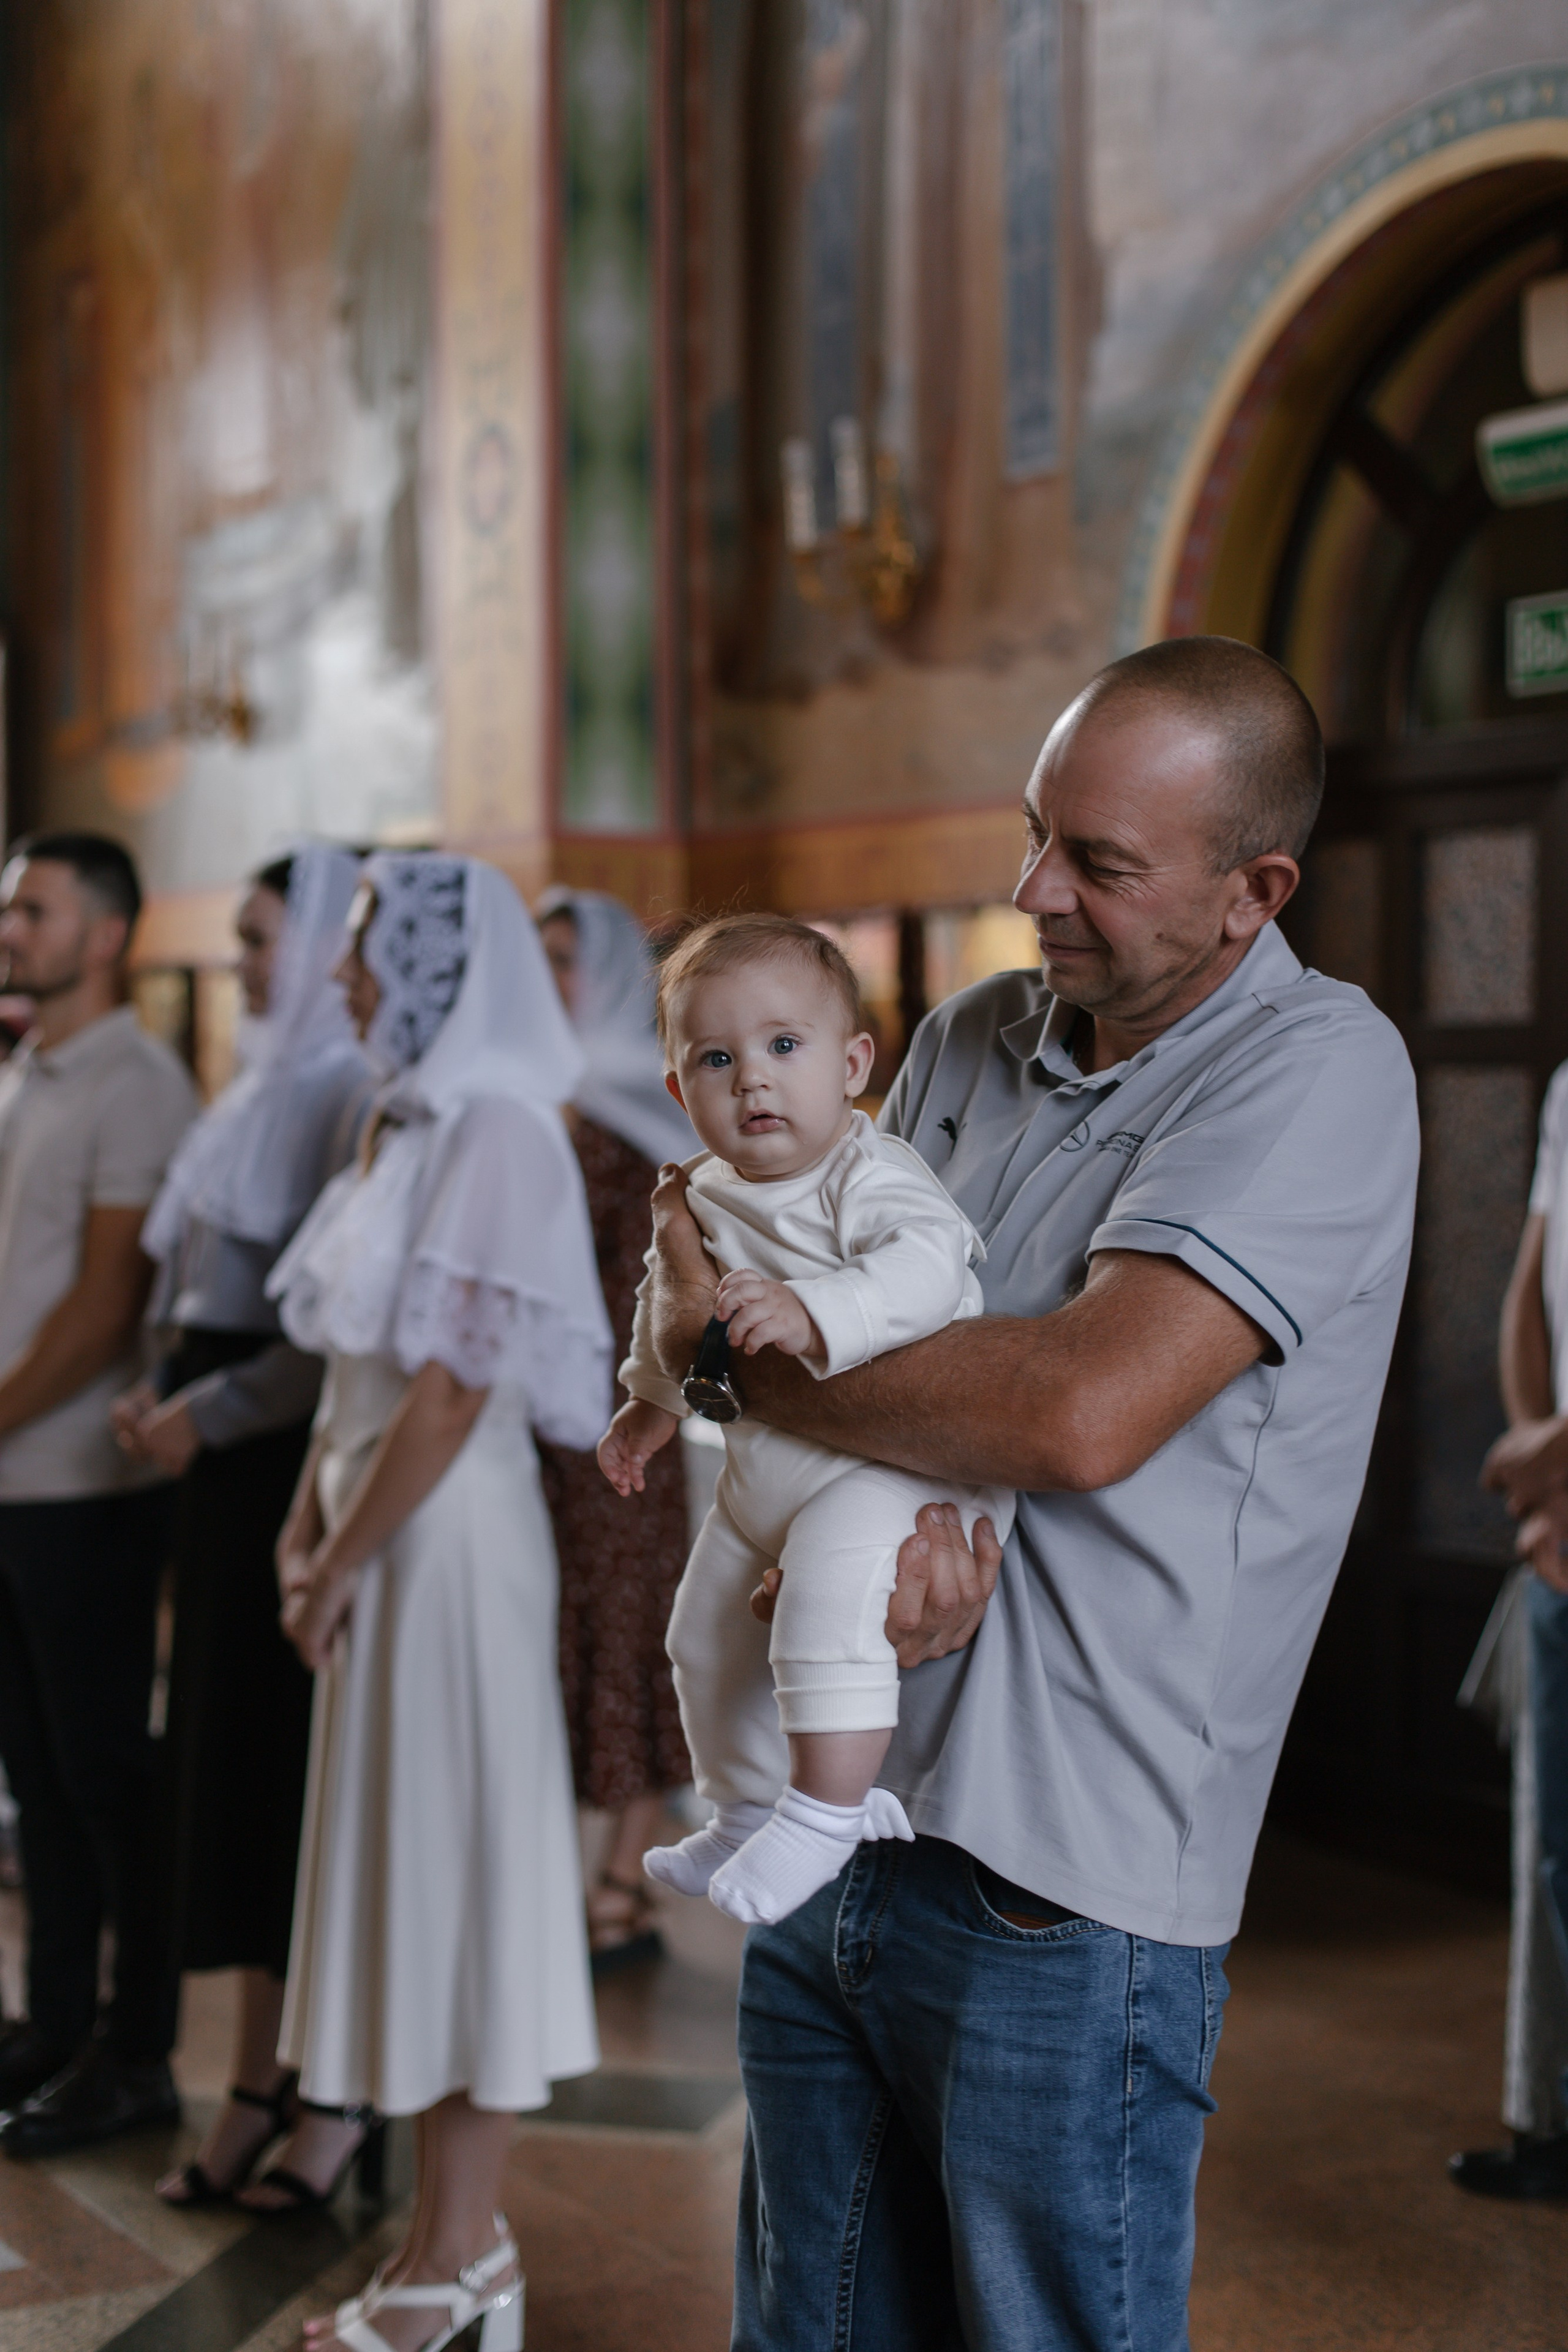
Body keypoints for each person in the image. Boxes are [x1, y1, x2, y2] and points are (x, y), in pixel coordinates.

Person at [639, 638, 1420, 2351]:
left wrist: (745, 1360)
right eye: (1034, 832)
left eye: (1101, 864)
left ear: (1251, 891)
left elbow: (1077, 1409)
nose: (1031, 890)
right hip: (840, 1790)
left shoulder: (1318, 1071)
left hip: (1065, 1871)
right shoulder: (973, 1034)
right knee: (812, 2327)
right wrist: (758, 1385)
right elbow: (760, 1301)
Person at [259, 854, 609, 2351]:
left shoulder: (500, 1130)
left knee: (457, 1881)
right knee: (401, 1878)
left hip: (444, 1542)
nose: (339, 979)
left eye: (360, 951)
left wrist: (340, 1560)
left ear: (431, 967)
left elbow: (458, 1390)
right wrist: (301, 1523)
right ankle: (442, 2246)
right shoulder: (396, 1122)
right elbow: (354, 1365)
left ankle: (461, 2257)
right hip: (369, 1513)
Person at [604, 913, 1014, 1926]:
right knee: (704, 1636)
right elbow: (670, 1305)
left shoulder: (870, 1176)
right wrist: (646, 1405)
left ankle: (828, 1813)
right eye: (717, 1057)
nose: (754, 1078)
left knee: (827, 1609)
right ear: (678, 1092)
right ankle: (743, 1811)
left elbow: (926, 1274)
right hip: (765, 1478)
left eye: (785, 1046)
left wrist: (812, 1310)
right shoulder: (699, 1194)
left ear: (853, 1063)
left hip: (890, 1471)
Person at [109, 846, 369, 2206]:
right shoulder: (260, 1084)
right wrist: (161, 1393)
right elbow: (200, 1284)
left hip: (285, 1463)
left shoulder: (345, 1093)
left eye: (266, 936)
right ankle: (256, 2076)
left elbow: (320, 1337)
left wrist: (201, 1409)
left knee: (291, 1790)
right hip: (217, 1470)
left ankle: (327, 2086)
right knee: (232, 1779)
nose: (251, 964)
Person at [0, 832, 198, 2154]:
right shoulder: (26, 1071)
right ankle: (52, 2018)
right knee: (34, 1768)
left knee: (101, 1772)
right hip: (14, 1477)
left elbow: (103, 1309)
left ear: (108, 935)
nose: (10, 925)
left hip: (80, 1481)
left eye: (35, 907)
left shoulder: (140, 1085)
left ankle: (137, 2051)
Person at [535, 888, 694, 1969]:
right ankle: (583, 1875)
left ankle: (618, 1879)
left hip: (621, 1411)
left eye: (563, 961)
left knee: (624, 1632)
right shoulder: (551, 1096)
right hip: (547, 1417)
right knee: (571, 1631)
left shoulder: (626, 1101)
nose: (546, 983)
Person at [1453, 1061, 1568, 2196]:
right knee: (1552, 1848)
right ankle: (1553, 2122)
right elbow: (1532, 1291)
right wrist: (1545, 1466)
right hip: (1559, 1534)